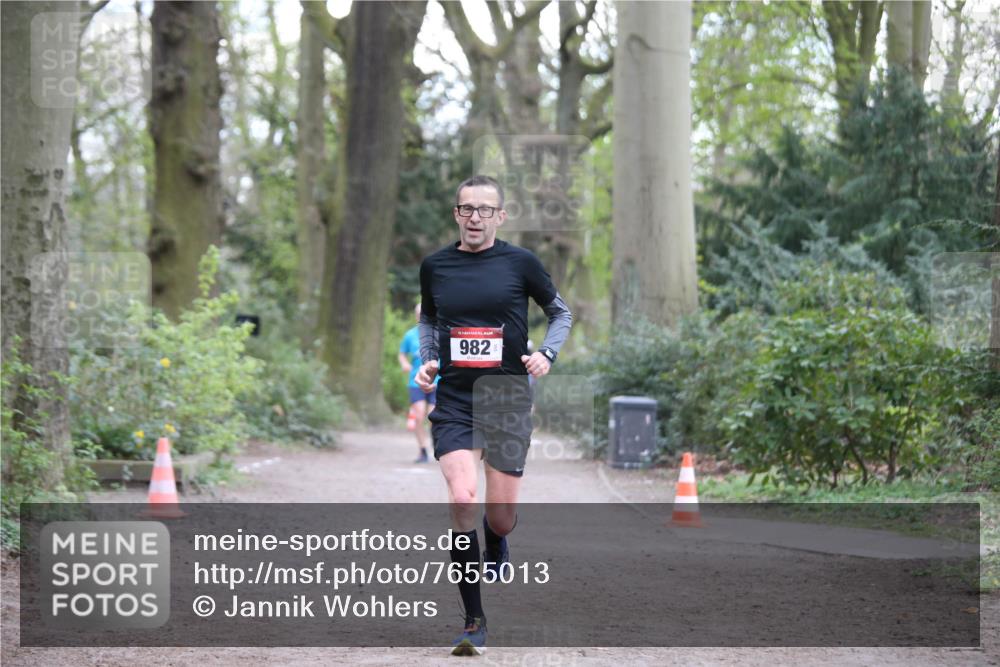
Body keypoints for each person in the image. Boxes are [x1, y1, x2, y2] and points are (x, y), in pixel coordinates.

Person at [414, 175, 572, 655]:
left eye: (485, 210)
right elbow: (427, 317)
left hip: (505, 398)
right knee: (463, 498)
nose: (475, 218)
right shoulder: (435, 265)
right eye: (467, 209)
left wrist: (546, 354)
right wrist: (427, 359)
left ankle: (497, 539)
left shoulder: (520, 263)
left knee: (499, 518)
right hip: (457, 400)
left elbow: (560, 313)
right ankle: (473, 622)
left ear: (500, 217)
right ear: (456, 213)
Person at [398, 303, 437, 463]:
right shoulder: (410, 335)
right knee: (419, 415)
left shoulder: (438, 334)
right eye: (419, 314)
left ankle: (437, 444)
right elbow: (401, 354)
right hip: (416, 381)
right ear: (415, 316)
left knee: (433, 416)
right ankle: (422, 450)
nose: (421, 317)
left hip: (437, 381)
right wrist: (404, 364)